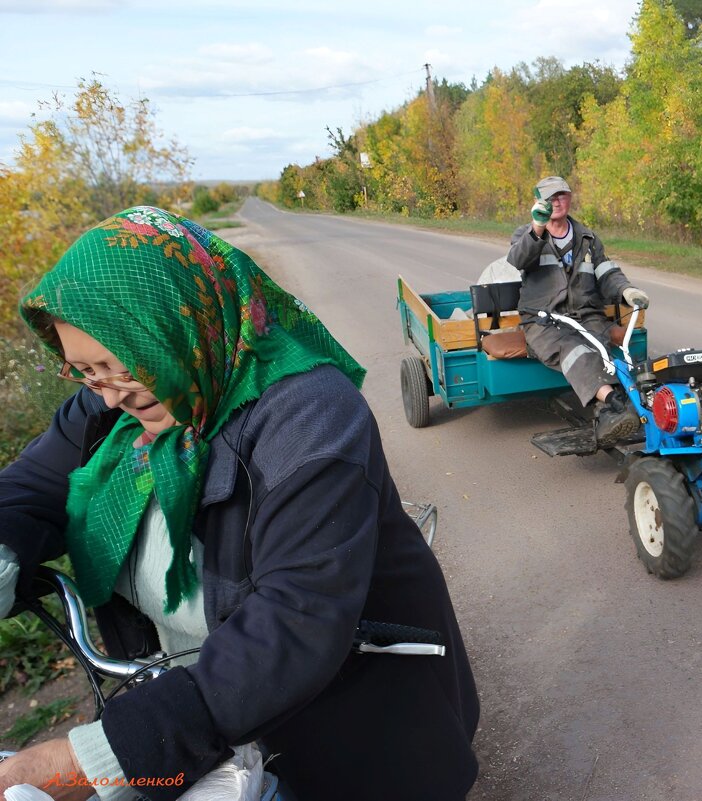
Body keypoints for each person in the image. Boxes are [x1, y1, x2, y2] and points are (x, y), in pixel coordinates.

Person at [0, 207, 479, 800]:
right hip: (210, 715)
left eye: (122, 363)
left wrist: (98, 759)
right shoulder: (108, 414)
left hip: (350, 717)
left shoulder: (310, 416)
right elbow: (28, 488)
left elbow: (296, 618)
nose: (111, 392)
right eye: (87, 373)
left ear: (171, 324)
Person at [505, 176, 650, 446]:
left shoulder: (588, 237)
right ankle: (614, 404)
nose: (556, 201)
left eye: (561, 195)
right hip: (544, 320)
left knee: (613, 353)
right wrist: (537, 227)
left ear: (570, 198)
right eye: (549, 197)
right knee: (575, 352)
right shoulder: (526, 234)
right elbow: (517, 259)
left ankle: (629, 406)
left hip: (587, 315)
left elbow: (607, 273)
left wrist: (626, 291)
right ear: (539, 202)